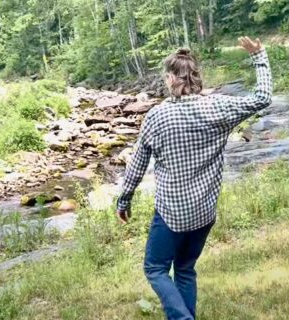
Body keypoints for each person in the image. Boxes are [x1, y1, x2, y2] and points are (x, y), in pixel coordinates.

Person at [115, 37, 272, 320]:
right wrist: (259, 56)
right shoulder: (218, 108)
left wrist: (124, 199)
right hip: (204, 212)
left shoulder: (157, 116)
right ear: (196, 77)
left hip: (172, 213)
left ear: (170, 79)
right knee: (185, 269)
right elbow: (262, 98)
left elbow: (137, 164)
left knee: (155, 268)